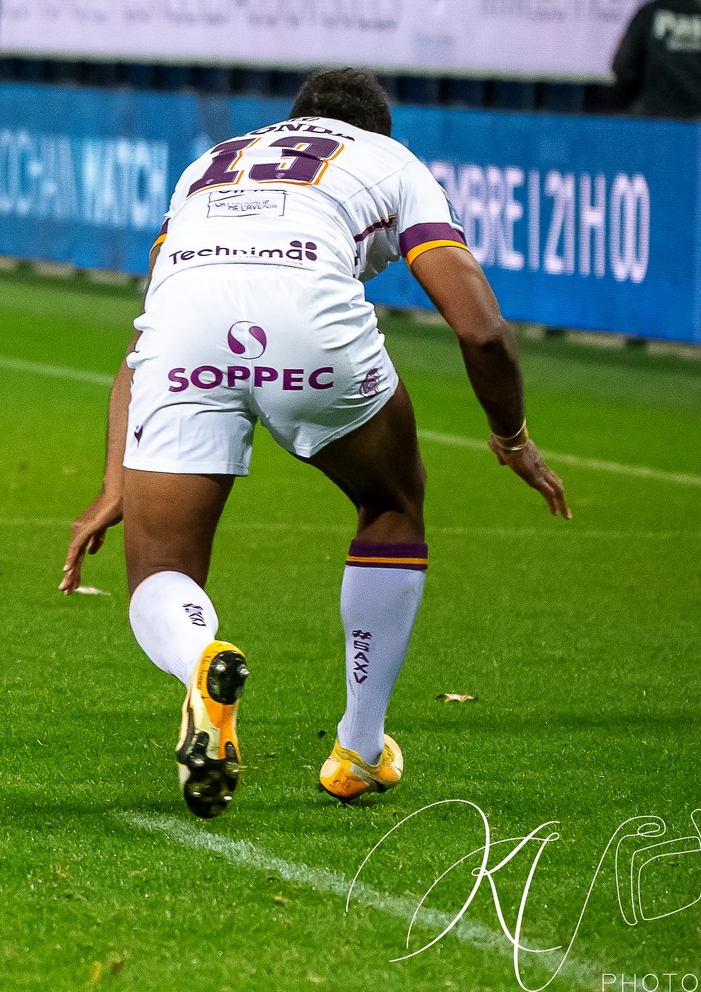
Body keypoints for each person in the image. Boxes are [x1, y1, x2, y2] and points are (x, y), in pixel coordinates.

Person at [60, 68, 569, 819]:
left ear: (292, 118)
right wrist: (512, 436)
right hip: (311, 326)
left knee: (161, 572)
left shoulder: (209, 164)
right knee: (391, 501)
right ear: (375, 129)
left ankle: (201, 658)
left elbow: (153, 329)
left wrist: (118, 480)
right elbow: (482, 331)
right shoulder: (391, 161)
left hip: (182, 343)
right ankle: (359, 749)